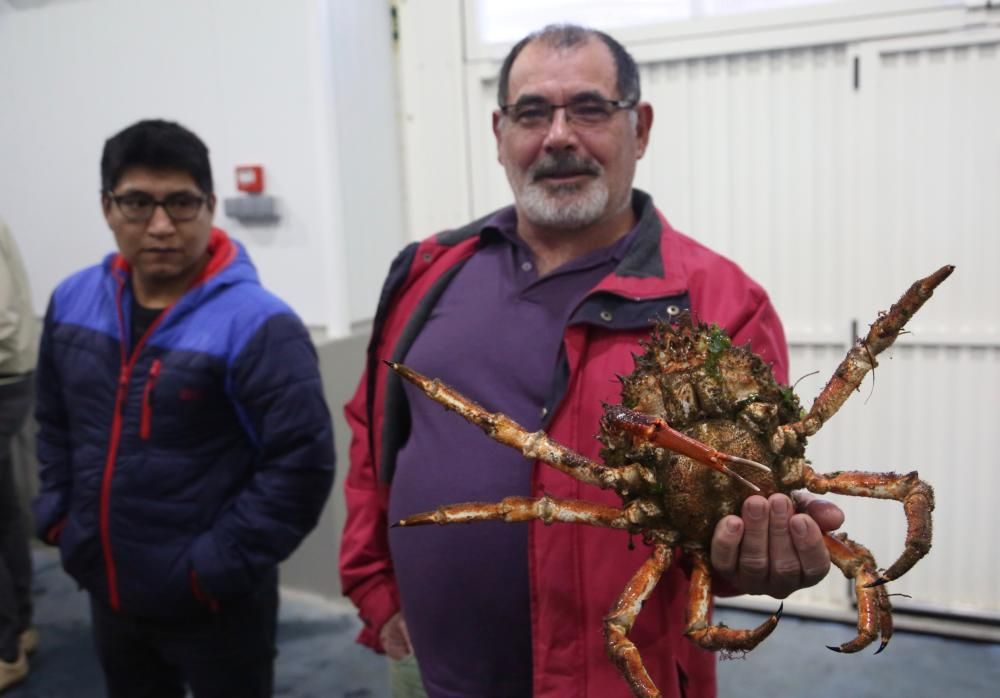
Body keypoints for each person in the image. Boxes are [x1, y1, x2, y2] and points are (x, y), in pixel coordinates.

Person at [339, 24, 846, 698]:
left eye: (589, 109)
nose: (558, 137)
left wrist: (757, 559)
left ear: (640, 128)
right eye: (531, 113)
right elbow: (375, 435)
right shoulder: (427, 272)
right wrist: (373, 588)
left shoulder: (721, 302)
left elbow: (739, 514)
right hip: (429, 666)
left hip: (618, 680)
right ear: (499, 133)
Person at [31, 119, 336, 698]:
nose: (162, 226)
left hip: (214, 603)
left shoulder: (259, 325)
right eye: (138, 204)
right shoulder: (73, 301)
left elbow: (300, 467)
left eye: (181, 203)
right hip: (109, 583)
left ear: (211, 206)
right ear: (107, 208)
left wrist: (212, 569)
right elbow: (55, 421)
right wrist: (59, 516)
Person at [0, 217, 39, 693]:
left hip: (4, 375)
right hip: (11, 373)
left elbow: (3, 321)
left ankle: (6, 648)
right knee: (4, 510)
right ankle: (19, 629)